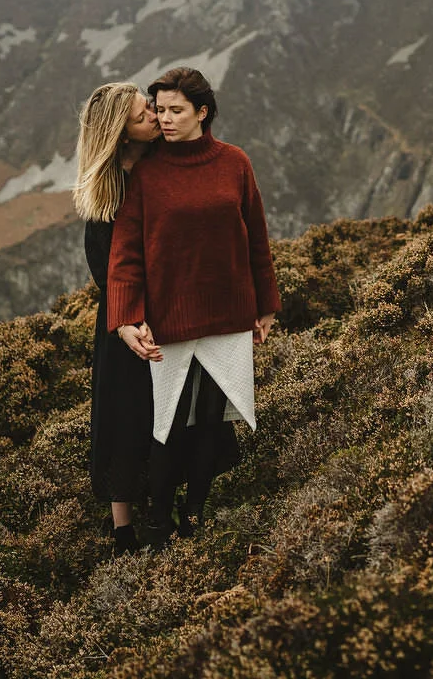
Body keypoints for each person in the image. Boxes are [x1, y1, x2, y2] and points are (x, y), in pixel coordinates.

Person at [106, 66, 280, 546]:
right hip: (171, 320)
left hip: (228, 312)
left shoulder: (235, 163)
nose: (163, 118)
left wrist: (265, 307)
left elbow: (257, 239)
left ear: (202, 112)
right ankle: (159, 520)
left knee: (210, 419)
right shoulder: (147, 173)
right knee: (169, 422)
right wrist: (125, 318)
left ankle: (195, 512)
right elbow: (126, 254)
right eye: (158, 109)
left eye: (175, 110)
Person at [73, 81, 161, 554]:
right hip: (122, 319)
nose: (154, 115)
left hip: (166, 310)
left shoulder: (166, 166)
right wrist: (128, 319)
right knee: (123, 412)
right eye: (142, 113)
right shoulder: (106, 198)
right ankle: (122, 525)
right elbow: (105, 271)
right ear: (121, 134)